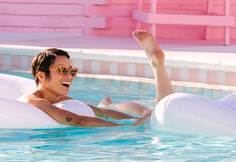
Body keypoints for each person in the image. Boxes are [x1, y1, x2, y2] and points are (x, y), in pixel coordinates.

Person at [21, 47, 151, 129]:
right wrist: (126, 128)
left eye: (72, 71)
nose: (70, 76)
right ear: (41, 75)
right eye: (62, 70)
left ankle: (107, 103)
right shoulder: (34, 101)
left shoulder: (62, 100)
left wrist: (136, 119)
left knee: (105, 108)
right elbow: (78, 120)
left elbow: (102, 113)